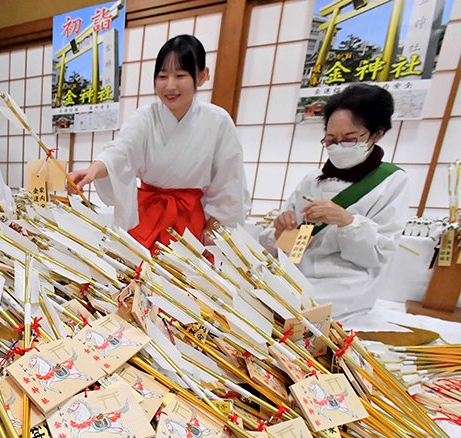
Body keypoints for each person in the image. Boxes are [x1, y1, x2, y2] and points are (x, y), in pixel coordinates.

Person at [70, 35, 247, 249]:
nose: (170, 85)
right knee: (134, 267)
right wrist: (93, 170)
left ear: (202, 76)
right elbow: (121, 151)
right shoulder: (144, 118)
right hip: (146, 217)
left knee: (185, 269)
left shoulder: (218, 121)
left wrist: (216, 225)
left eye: (180, 75)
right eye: (162, 76)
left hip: (191, 223)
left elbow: (229, 181)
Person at [261, 84, 408, 319]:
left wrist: (347, 222)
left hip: (344, 287)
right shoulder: (312, 180)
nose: (338, 147)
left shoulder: (391, 182)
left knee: (297, 313)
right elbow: (293, 249)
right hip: (296, 276)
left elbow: (377, 256)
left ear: (377, 134)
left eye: (349, 140)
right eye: (330, 140)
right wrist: (282, 232)